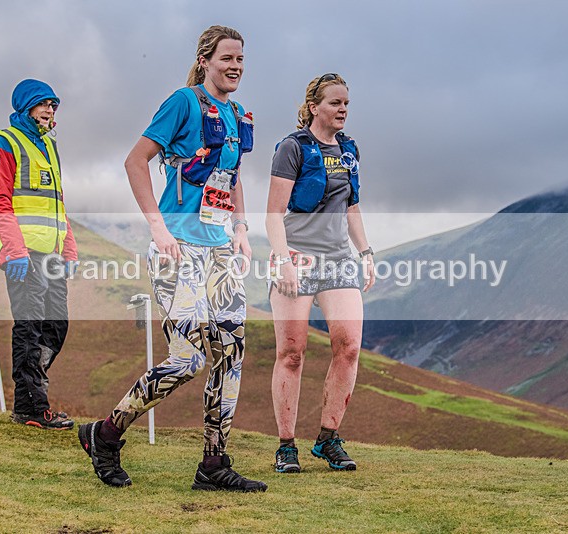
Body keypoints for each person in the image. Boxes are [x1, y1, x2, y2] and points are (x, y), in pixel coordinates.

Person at [78, 25, 266, 492]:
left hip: (219, 250)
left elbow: (231, 174)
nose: (236, 65)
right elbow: (134, 161)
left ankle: (213, 464)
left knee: (231, 352)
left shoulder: (237, 113)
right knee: (187, 359)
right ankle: (105, 435)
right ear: (205, 60)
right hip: (178, 248)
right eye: (227, 58)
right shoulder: (183, 102)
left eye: (241, 58)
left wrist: (241, 229)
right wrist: (158, 228)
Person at [265, 73, 375, 473]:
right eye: (335, 103)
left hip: (339, 259)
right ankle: (286, 446)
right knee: (292, 353)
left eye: (346, 103)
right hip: (297, 256)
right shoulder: (292, 148)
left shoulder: (349, 149)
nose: (343, 109)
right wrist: (283, 260)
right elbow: (273, 213)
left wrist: (365, 252)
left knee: (348, 347)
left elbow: (351, 207)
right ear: (314, 107)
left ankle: (328, 438)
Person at [0, 79, 78, 430]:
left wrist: (68, 248)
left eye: (53, 105)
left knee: (56, 325)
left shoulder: (49, 146)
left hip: (50, 254)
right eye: (44, 104)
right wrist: (15, 249)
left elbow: (57, 202)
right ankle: (32, 407)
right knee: (30, 328)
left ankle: (31, 393)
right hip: (23, 253)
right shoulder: (3, 142)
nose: (50, 110)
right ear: (26, 107)